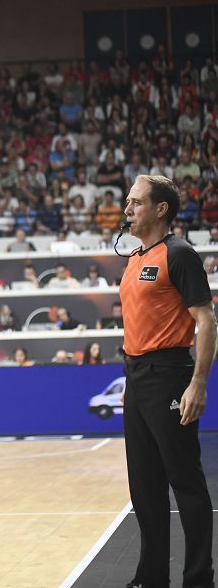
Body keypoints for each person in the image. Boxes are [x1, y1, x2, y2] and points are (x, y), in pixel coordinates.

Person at [118, 174, 214, 588]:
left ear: (161, 209)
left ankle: (198, 580)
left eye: (136, 202)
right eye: (128, 202)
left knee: (186, 484)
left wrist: (198, 383)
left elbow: (207, 322)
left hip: (170, 376)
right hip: (136, 378)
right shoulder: (135, 256)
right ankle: (151, 577)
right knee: (144, 487)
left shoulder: (180, 255)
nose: (127, 209)